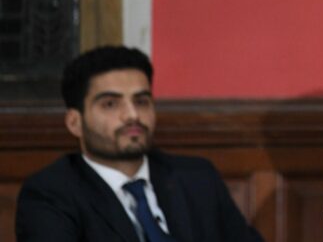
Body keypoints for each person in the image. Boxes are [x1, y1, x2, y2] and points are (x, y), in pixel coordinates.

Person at [16, 46, 264, 242]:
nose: (132, 115)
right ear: (74, 122)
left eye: (142, 101)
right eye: (111, 104)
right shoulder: (50, 194)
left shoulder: (197, 178)